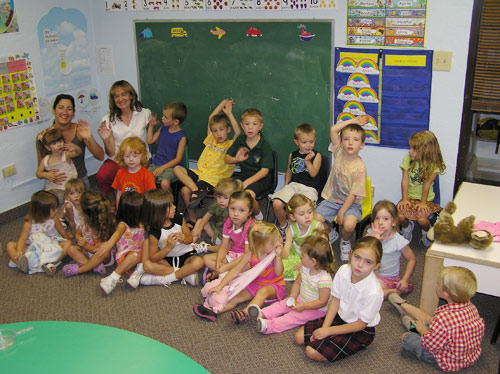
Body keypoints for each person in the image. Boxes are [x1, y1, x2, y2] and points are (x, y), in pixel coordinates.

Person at [294, 236, 384, 363]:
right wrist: (325, 328)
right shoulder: (343, 271)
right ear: (351, 254)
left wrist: (329, 331)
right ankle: (329, 338)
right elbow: (335, 301)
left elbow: (360, 324)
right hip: (339, 317)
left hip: (360, 330)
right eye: (357, 257)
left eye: (368, 262)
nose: (360, 265)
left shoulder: (373, 292)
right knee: (298, 337)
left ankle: (355, 344)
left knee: (311, 351)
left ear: (376, 266)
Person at [388, 266, 485, 372]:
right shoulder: (472, 308)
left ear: (446, 294)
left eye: (438, 284)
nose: (436, 285)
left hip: (448, 360)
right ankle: (405, 308)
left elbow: (430, 345)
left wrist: (423, 331)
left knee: (407, 338)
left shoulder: (443, 319)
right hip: (469, 355)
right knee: (432, 322)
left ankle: (411, 321)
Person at [193, 221, 285, 324]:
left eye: (279, 237)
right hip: (255, 283)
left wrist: (278, 257)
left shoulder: (273, 254)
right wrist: (220, 286)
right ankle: (213, 311)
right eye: (274, 241)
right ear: (260, 245)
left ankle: (245, 314)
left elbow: (278, 272)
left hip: (274, 286)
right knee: (235, 298)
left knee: (262, 292)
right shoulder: (250, 255)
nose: (279, 241)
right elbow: (234, 272)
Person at [249, 235, 334, 334]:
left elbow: (322, 302)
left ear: (313, 261)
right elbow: (297, 283)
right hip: (300, 300)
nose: (300, 257)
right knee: (282, 304)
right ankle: (263, 313)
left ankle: (269, 326)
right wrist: (293, 296)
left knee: (293, 317)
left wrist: (304, 306)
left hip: (316, 309)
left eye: (303, 256)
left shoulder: (324, 280)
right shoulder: (305, 268)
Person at [174, 98, 241, 223]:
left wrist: (229, 114)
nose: (218, 134)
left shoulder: (231, 145)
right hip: (201, 174)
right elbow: (211, 118)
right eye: (215, 131)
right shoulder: (211, 140)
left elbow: (238, 132)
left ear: (228, 130)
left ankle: (192, 218)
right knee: (177, 169)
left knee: (184, 191)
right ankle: (196, 192)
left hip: (214, 179)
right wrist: (221, 103)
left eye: (221, 130)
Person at [315, 115, 369, 261]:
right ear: (341, 142)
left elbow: (353, 194)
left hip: (351, 204)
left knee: (349, 225)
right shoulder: (338, 151)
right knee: (315, 220)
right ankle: (332, 233)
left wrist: (342, 212)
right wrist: (354, 121)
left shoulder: (360, 168)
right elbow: (333, 129)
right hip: (333, 199)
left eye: (356, 140)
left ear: (362, 145)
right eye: (346, 139)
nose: (350, 143)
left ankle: (345, 242)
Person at [97, 80, 155, 205]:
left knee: (136, 180)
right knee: (102, 175)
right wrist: (106, 140)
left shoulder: (144, 114)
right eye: (116, 96)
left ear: (131, 96)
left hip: (140, 159)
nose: (120, 99)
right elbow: (111, 152)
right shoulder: (108, 119)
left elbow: (150, 138)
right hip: (119, 160)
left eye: (123, 94)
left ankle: (139, 206)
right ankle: (113, 204)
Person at [36, 94, 104, 189]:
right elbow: (41, 168)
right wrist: (46, 175)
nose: (65, 112)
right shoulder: (43, 137)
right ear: (54, 110)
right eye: (61, 108)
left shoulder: (80, 130)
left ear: (73, 113)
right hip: (56, 185)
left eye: (69, 109)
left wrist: (89, 138)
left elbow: (100, 156)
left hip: (79, 182)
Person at [139, 189, 204, 286]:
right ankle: (185, 274)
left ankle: (168, 278)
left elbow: (190, 239)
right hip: (167, 260)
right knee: (147, 265)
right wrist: (168, 247)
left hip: (186, 255)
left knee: (199, 262)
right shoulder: (155, 231)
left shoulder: (178, 218)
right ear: (159, 211)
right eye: (170, 206)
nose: (175, 207)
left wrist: (184, 239)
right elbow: (153, 257)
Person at [271, 123, 323, 239]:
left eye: (311, 142)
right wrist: (285, 185)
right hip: (293, 185)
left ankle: (303, 231)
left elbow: (313, 173)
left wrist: (308, 162)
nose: (308, 145)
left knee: (304, 209)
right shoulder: (292, 155)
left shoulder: (317, 156)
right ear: (296, 142)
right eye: (304, 142)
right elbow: (289, 171)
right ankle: (284, 227)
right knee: (277, 203)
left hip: (309, 188)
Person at [398, 131, 446, 247]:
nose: (410, 151)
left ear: (425, 152)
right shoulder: (407, 159)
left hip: (427, 200)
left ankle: (426, 231)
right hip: (409, 197)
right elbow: (405, 180)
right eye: (410, 148)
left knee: (422, 220)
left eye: (414, 149)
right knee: (400, 216)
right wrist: (404, 199)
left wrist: (423, 202)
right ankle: (407, 228)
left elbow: (427, 184)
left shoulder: (433, 165)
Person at [6, 190, 71, 275]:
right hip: (33, 247)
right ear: (43, 211)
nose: (56, 211)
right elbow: (22, 238)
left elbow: (61, 230)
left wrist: (68, 239)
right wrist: (19, 250)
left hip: (51, 245)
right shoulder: (29, 222)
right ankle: (20, 262)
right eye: (53, 209)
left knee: (68, 243)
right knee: (9, 245)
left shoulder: (54, 218)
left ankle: (51, 264)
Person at [225, 108, 274, 220]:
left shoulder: (264, 146)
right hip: (243, 174)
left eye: (254, 124)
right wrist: (236, 160)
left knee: (247, 196)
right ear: (242, 125)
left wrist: (246, 182)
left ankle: (258, 215)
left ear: (260, 126)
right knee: (227, 188)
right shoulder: (240, 140)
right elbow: (226, 158)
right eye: (247, 124)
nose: (250, 127)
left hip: (261, 179)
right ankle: (234, 217)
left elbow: (264, 171)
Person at [96, 192, 146, 295]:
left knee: (151, 248)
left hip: (142, 257)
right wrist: (109, 244)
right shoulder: (123, 225)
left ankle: (139, 274)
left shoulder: (144, 223)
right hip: (126, 257)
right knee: (135, 256)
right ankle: (112, 278)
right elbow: (117, 233)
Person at [367, 200, 416, 298]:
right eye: (377, 218)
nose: (380, 222)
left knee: (371, 291)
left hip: (387, 278)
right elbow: (358, 252)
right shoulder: (370, 234)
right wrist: (373, 239)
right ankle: (390, 292)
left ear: (394, 222)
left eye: (385, 219)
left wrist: (405, 280)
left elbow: (412, 260)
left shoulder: (398, 240)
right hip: (369, 272)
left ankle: (393, 291)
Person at [203, 191, 255, 282]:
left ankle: (223, 274)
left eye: (241, 210)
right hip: (233, 254)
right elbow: (224, 246)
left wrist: (225, 267)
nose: (235, 214)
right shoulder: (228, 222)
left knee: (249, 266)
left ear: (249, 212)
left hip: (247, 257)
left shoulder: (250, 227)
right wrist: (219, 261)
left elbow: (248, 255)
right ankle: (228, 274)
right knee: (206, 259)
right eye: (232, 209)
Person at [62, 191, 116, 277]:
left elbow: (98, 248)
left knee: (104, 253)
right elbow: (78, 233)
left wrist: (86, 245)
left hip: (100, 255)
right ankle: (92, 266)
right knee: (70, 249)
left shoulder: (97, 226)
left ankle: (83, 269)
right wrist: (78, 238)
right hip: (87, 252)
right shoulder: (84, 220)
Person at [190, 178, 243, 251]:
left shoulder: (236, 209)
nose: (221, 200)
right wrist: (199, 229)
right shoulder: (216, 205)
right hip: (217, 230)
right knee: (200, 221)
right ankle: (191, 242)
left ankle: (210, 247)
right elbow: (207, 216)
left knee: (230, 247)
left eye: (225, 198)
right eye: (219, 197)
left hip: (228, 236)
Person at [147, 101, 187, 192]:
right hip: (157, 163)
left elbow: (178, 159)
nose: (162, 118)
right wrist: (151, 126)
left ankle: (169, 203)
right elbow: (150, 140)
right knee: (146, 179)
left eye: (166, 117)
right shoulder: (163, 128)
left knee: (164, 184)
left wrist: (162, 168)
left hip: (172, 167)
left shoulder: (182, 137)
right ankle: (153, 201)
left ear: (176, 122)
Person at [282, 194, 323, 281]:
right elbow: (286, 252)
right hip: (296, 254)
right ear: (293, 217)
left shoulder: (317, 227)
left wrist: (303, 262)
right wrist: (279, 251)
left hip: (314, 255)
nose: (307, 216)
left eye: (310, 212)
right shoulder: (291, 229)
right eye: (301, 214)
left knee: (316, 265)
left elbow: (321, 249)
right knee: (280, 266)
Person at [36, 128, 80, 204]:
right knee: (43, 200)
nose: (59, 144)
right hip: (53, 188)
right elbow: (38, 173)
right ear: (48, 147)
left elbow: (78, 153)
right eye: (54, 143)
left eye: (60, 141)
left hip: (69, 188)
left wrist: (75, 147)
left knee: (68, 200)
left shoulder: (66, 155)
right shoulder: (45, 160)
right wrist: (45, 174)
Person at [111, 136, 156, 207]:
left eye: (135, 156)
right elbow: (119, 193)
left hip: (141, 208)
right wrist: (119, 209)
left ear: (142, 156)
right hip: (126, 207)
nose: (131, 159)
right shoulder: (120, 172)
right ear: (122, 157)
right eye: (127, 156)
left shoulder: (147, 175)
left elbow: (151, 197)